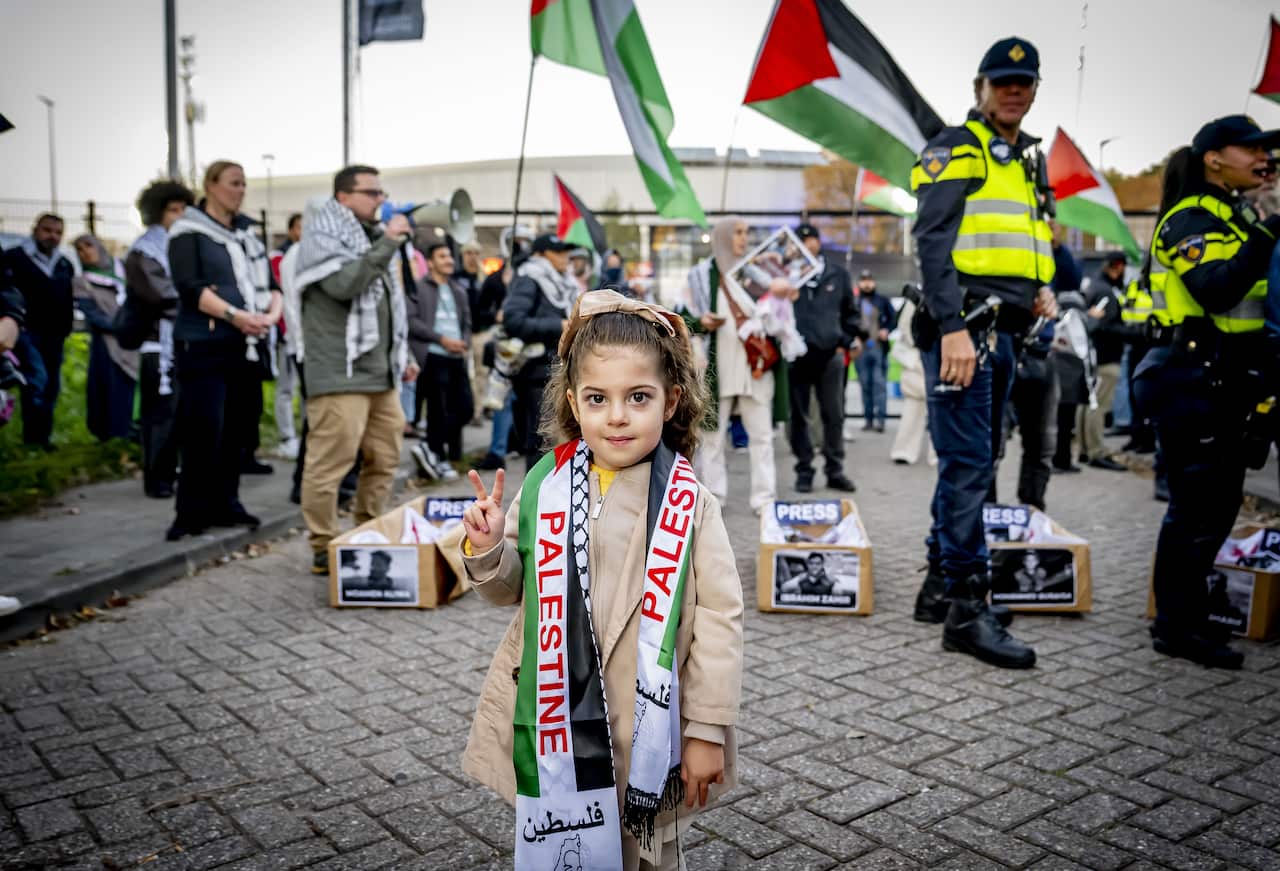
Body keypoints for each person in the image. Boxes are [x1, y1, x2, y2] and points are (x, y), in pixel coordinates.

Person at [458, 289, 743, 870]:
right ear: (574, 403)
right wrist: (488, 548)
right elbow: (512, 589)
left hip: (648, 728)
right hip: (556, 721)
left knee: (646, 854)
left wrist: (707, 730)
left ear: (670, 403)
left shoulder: (691, 503)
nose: (617, 415)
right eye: (598, 399)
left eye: (637, 397)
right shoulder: (546, 487)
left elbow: (719, 618)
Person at [907, 37, 1058, 667]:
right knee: (970, 467)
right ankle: (966, 610)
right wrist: (951, 328)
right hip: (965, 327)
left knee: (974, 461)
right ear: (980, 87)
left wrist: (1040, 285)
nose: (1014, 91)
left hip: (1002, 326)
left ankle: (940, 584)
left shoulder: (1025, 160)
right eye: (1003, 82)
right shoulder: (957, 145)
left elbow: (1017, 239)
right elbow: (933, 241)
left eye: (1024, 83)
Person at [1134, 115, 1280, 669]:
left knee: (1215, 511)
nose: (1265, 159)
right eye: (1253, 149)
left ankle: (1187, 613)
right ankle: (1175, 626)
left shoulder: (1236, 215)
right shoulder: (1189, 218)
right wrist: (1268, 232)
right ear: (1213, 159)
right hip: (1190, 380)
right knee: (1194, 512)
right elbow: (1216, 290)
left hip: (1226, 381)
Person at [293, 164, 419, 575]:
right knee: (331, 462)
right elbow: (346, 285)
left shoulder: (368, 238)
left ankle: (366, 532)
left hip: (378, 374)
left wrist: (402, 356)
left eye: (382, 192)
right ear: (344, 197)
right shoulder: (322, 238)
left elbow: (388, 309)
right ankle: (322, 543)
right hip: (338, 374)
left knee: (385, 456)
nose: (381, 200)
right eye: (371, 193)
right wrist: (388, 243)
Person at [166, 160, 282, 541]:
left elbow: (269, 284)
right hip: (204, 345)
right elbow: (189, 287)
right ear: (211, 186)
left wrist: (269, 314)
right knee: (202, 429)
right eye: (234, 183)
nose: (241, 190)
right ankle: (191, 511)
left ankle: (227, 502)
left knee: (237, 429)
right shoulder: (188, 231)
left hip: (244, 346)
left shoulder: (247, 234)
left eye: (244, 183)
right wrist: (235, 315)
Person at [680, 218, 783, 513]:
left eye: (747, 232)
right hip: (716, 371)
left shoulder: (759, 275)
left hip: (755, 369)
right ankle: (714, 498)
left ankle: (764, 499)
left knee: (762, 438)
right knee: (712, 440)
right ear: (723, 237)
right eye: (738, 232)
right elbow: (678, 319)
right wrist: (702, 322)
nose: (743, 238)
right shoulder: (700, 277)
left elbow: (780, 319)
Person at [126, 180, 193, 498]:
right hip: (157, 344)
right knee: (159, 416)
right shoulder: (144, 251)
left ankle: (172, 470)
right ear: (157, 212)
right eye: (173, 209)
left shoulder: (183, 245)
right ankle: (156, 478)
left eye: (184, 209)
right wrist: (199, 300)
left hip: (183, 341)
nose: (179, 215)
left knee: (179, 414)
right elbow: (161, 296)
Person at [789, 223, 860, 492]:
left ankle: (835, 469)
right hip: (797, 356)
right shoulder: (788, 275)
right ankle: (804, 469)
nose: (809, 244)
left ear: (819, 242)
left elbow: (850, 312)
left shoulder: (837, 274)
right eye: (802, 240)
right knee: (799, 416)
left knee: (834, 414)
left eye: (812, 239)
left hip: (830, 355)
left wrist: (847, 339)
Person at [502, 232, 578, 472]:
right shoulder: (529, 278)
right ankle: (534, 505)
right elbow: (513, 320)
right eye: (558, 252)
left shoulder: (562, 282)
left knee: (559, 443)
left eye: (566, 251)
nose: (565, 257)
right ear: (541, 255)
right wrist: (559, 326)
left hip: (557, 370)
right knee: (543, 445)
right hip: (536, 374)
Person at [4, 214, 74, 449]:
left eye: (57, 232)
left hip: (54, 335)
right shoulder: (14, 258)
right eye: (47, 230)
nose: (52, 236)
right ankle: (31, 439)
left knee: (51, 385)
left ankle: (43, 438)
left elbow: (67, 299)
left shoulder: (64, 264)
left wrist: (65, 329)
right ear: (35, 229)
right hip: (26, 332)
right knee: (36, 380)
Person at [407, 239, 473, 479]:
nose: (449, 261)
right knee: (438, 410)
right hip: (433, 356)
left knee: (466, 409)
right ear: (431, 262)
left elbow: (466, 322)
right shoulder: (418, 288)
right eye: (443, 257)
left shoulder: (458, 290)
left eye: (450, 256)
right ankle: (437, 455)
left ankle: (430, 444)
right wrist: (441, 339)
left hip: (457, 356)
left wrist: (463, 342)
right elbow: (412, 321)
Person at [71, 235, 138, 441]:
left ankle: (136, 431)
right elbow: (93, 315)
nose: (86, 252)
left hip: (136, 339)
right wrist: (123, 326)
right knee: (110, 388)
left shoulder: (124, 268)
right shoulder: (82, 282)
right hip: (107, 344)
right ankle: (114, 435)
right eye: (80, 249)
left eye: (89, 245)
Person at [1078, 252, 1129, 470]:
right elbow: (1102, 326)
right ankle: (1096, 451)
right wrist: (1135, 331)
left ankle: (1084, 449)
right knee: (1097, 405)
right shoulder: (1105, 292)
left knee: (1087, 402)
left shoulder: (1094, 287)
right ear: (1117, 267)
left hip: (1091, 355)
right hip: (1105, 357)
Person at [270, 212, 304, 460]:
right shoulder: (279, 258)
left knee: (306, 390)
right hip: (287, 334)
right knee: (285, 388)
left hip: (306, 338)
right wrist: (283, 329)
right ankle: (287, 436)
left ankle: (305, 434)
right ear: (291, 230)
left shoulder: (310, 256)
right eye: (301, 227)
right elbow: (280, 297)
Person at [890, 296, 935, 466]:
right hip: (918, 357)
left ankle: (938, 452)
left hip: (937, 355)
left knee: (941, 409)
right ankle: (904, 450)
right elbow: (905, 327)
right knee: (913, 407)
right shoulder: (916, 298)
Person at [853, 270, 896, 432]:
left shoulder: (882, 301)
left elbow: (894, 318)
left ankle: (881, 420)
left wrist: (886, 330)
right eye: (863, 280)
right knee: (865, 385)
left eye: (869, 280)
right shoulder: (854, 302)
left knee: (879, 385)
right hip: (861, 349)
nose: (867, 284)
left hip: (878, 347)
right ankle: (868, 419)